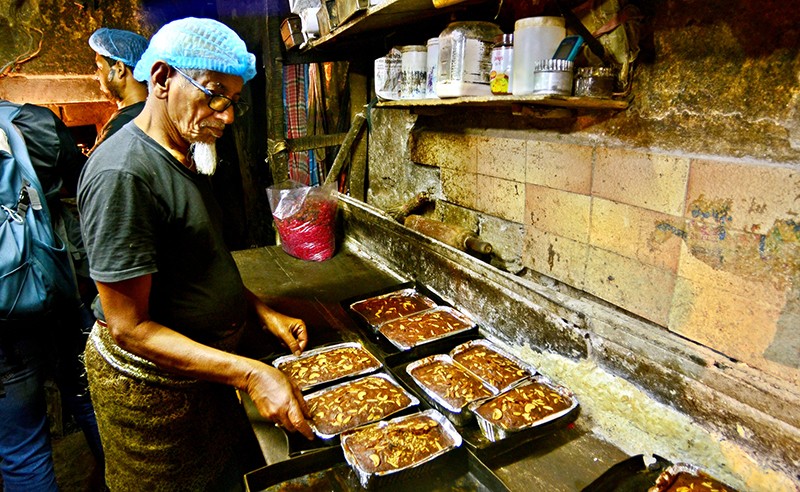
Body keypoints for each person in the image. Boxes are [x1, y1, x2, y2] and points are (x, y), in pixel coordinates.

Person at [77, 17, 313, 490]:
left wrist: (260, 311)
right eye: (214, 94)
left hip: (201, 379)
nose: (226, 116)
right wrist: (250, 375)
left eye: (234, 102)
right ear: (162, 79)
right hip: (153, 395)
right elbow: (130, 328)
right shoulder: (124, 174)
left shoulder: (186, 152)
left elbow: (197, 263)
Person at [0, 99, 104, 490]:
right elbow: (82, 178)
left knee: (22, 447)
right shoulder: (27, 121)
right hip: (54, 289)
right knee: (89, 400)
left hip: (4, 327)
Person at [87, 27, 149, 152]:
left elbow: (89, 169)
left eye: (99, 67)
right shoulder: (145, 112)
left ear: (119, 69)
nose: (96, 76)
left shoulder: (123, 125)